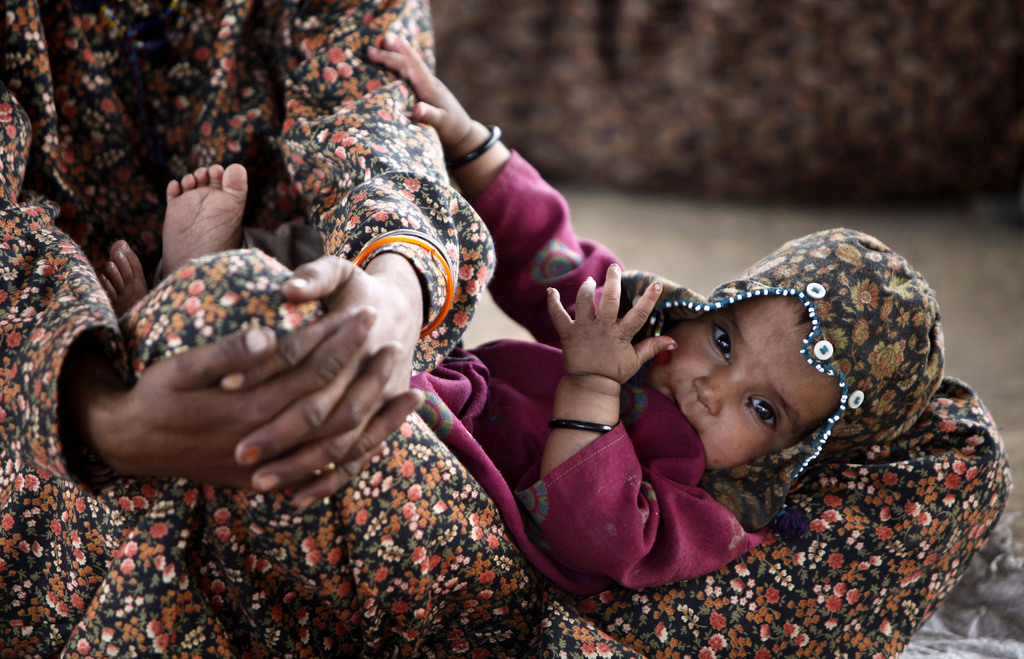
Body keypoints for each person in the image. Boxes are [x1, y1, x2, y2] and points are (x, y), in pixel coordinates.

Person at [0, 1, 1010, 656]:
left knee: (276, 329)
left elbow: (590, 528)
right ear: (717, 304)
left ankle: (188, 296)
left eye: (759, 405)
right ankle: (173, 316)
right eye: (724, 341)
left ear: (789, 454)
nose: (709, 385)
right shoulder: (656, 335)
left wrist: (590, 388)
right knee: (293, 315)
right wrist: (470, 142)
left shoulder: (706, 506)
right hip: (439, 398)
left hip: (471, 521)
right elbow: (546, 254)